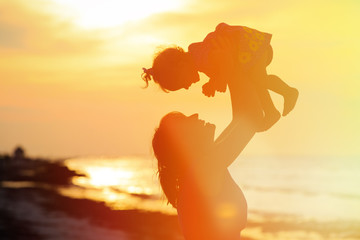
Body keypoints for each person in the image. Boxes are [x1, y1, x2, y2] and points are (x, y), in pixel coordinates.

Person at [152, 67, 264, 239]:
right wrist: (233, 66)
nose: (196, 115)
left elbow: (243, 117)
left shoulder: (202, 165)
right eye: (187, 120)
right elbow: (253, 117)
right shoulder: (204, 169)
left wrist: (231, 69)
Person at [142, 23, 298, 131]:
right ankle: (271, 111)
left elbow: (224, 59)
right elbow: (221, 65)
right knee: (257, 81)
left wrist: (218, 81)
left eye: (182, 83)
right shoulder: (199, 57)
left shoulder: (200, 57)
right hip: (248, 51)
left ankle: (286, 94)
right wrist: (215, 81)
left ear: (181, 65)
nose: (187, 86)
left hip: (249, 46)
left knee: (259, 80)